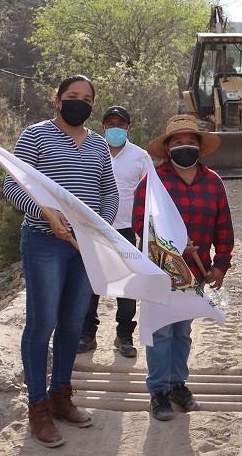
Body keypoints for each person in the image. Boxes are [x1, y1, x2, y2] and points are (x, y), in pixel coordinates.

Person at [3, 75, 120, 447]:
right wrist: (45, 213)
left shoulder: (100, 146)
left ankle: (60, 395)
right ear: (57, 100)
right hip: (43, 243)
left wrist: (97, 230)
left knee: (72, 323)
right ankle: (36, 406)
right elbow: (12, 186)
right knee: (41, 325)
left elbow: (109, 192)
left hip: (84, 249)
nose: (80, 103)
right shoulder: (35, 136)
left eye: (87, 98)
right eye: (73, 96)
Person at [132, 115, 234, 421]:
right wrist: (171, 244)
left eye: (190, 141)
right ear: (167, 148)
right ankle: (158, 392)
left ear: (200, 147)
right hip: (160, 272)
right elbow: (141, 222)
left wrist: (220, 265)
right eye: (178, 141)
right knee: (161, 331)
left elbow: (224, 228)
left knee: (183, 332)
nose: (184, 146)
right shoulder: (153, 181)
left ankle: (178, 385)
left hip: (194, 274)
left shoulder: (213, 182)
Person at [78, 106, 151, 358]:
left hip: (127, 230)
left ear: (129, 128)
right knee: (89, 284)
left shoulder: (140, 157)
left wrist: (147, 232)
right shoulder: (91, 151)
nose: (115, 129)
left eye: (121, 124)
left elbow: (150, 196)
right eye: (110, 124)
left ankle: (124, 335)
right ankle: (87, 334)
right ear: (102, 128)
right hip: (93, 229)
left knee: (128, 286)